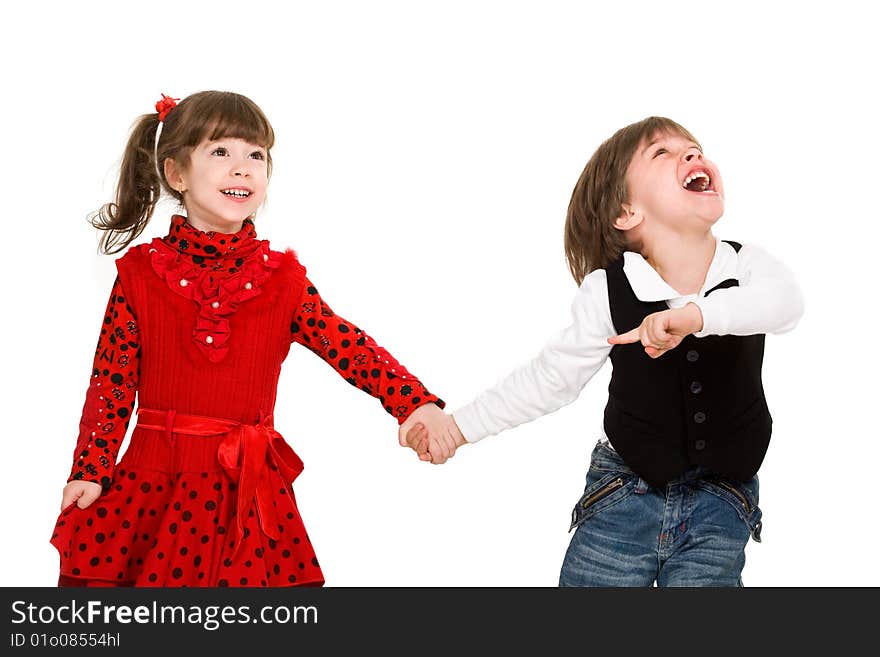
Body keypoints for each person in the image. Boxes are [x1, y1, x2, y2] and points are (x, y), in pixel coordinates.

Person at [50, 90, 451, 587]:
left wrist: (413, 402)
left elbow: (348, 345)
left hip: (246, 498)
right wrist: (90, 467)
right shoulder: (140, 275)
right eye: (221, 152)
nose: (242, 168)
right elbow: (111, 383)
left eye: (255, 155)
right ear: (177, 174)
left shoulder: (281, 280)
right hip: (155, 487)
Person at [402, 116, 804, 586]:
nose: (692, 155)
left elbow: (785, 306)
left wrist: (696, 317)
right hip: (623, 491)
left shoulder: (747, 265)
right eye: (663, 153)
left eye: (694, 148)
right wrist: (457, 427)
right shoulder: (608, 291)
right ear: (626, 213)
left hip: (722, 497)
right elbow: (551, 378)